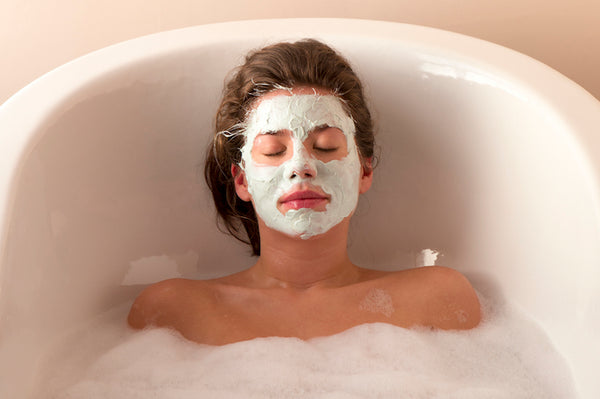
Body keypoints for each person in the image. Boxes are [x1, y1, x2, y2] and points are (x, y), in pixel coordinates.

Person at [127, 39, 481, 345]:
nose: (301, 166)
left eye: (326, 146)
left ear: (364, 170)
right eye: (273, 151)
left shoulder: (438, 300)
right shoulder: (173, 312)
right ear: (242, 181)